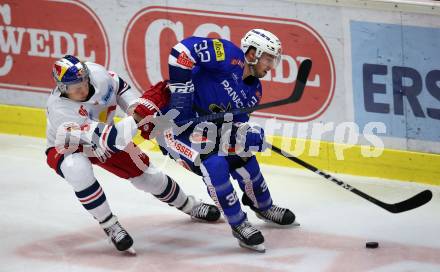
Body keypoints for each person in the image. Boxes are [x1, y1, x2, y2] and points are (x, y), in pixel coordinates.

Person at [45, 55, 221, 254]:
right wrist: (141, 114)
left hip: (106, 136)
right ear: (62, 88)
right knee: (76, 169)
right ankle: (110, 224)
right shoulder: (61, 110)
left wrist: (135, 108)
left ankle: (189, 205)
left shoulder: (98, 74)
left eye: (83, 81)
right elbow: (113, 139)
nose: (82, 88)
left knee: (149, 177)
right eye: (74, 87)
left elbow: (120, 89)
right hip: (68, 146)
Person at [155, 29, 296, 252]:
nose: (271, 66)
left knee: (244, 158)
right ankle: (239, 223)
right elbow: (180, 52)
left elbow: (233, 124)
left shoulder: (254, 90)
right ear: (253, 53)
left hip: (205, 130)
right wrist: (181, 96)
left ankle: (263, 206)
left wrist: (247, 133)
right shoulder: (227, 55)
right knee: (215, 164)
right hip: (172, 127)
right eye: (269, 58)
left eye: (274, 60)